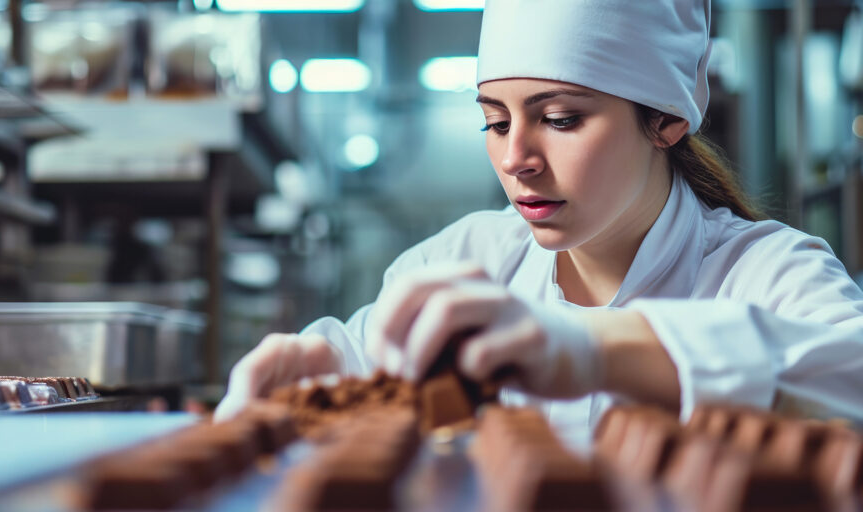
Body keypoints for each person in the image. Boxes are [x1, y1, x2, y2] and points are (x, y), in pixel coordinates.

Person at [214, 0, 863, 437]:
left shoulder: (768, 269)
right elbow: (362, 357)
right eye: (494, 121)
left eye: (560, 119)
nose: (515, 158)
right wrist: (314, 367)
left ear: (666, 119)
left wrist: (591, 350)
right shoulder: (461, 261)